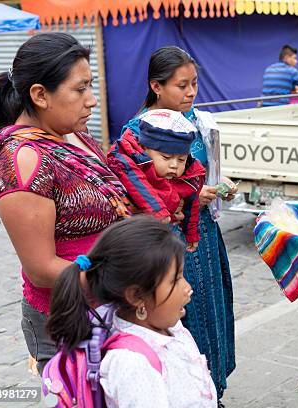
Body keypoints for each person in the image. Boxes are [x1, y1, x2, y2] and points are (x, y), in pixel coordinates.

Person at [0, 33, 130, 374]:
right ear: (40, 95)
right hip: (70, 321)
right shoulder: (23, 161)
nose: (91, 100)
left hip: (111, 304)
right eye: (80, 89)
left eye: (90, 86)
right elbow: (41, 268)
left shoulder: (75, 136)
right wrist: (131, 279)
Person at [121, 46, 236, 404]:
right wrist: (187, 196)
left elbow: (201, 171)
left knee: (213, 313)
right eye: (181, 85)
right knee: (182, 317)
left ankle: (212, 388)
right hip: (166, 239)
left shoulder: (197, 123)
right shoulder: (137, 131)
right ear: (156, 86)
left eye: (194, 84)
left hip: (203, 235)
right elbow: (135, 187)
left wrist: (216, 186)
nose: (190, 93)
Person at [46, 216, 217, 407]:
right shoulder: (131, 364)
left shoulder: (170, 328)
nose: (188, 288)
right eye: (175, 280)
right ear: (136, 296)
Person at [108, 109, 206, 252]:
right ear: (144, 149)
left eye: (181, 159)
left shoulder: (189, 174)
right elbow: (139, 186)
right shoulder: (128, 161)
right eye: (166, 158)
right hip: (138, 235)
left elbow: (192, 204)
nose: (174, 165)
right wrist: (159, 212)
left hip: (170, 232)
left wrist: (191, 234)